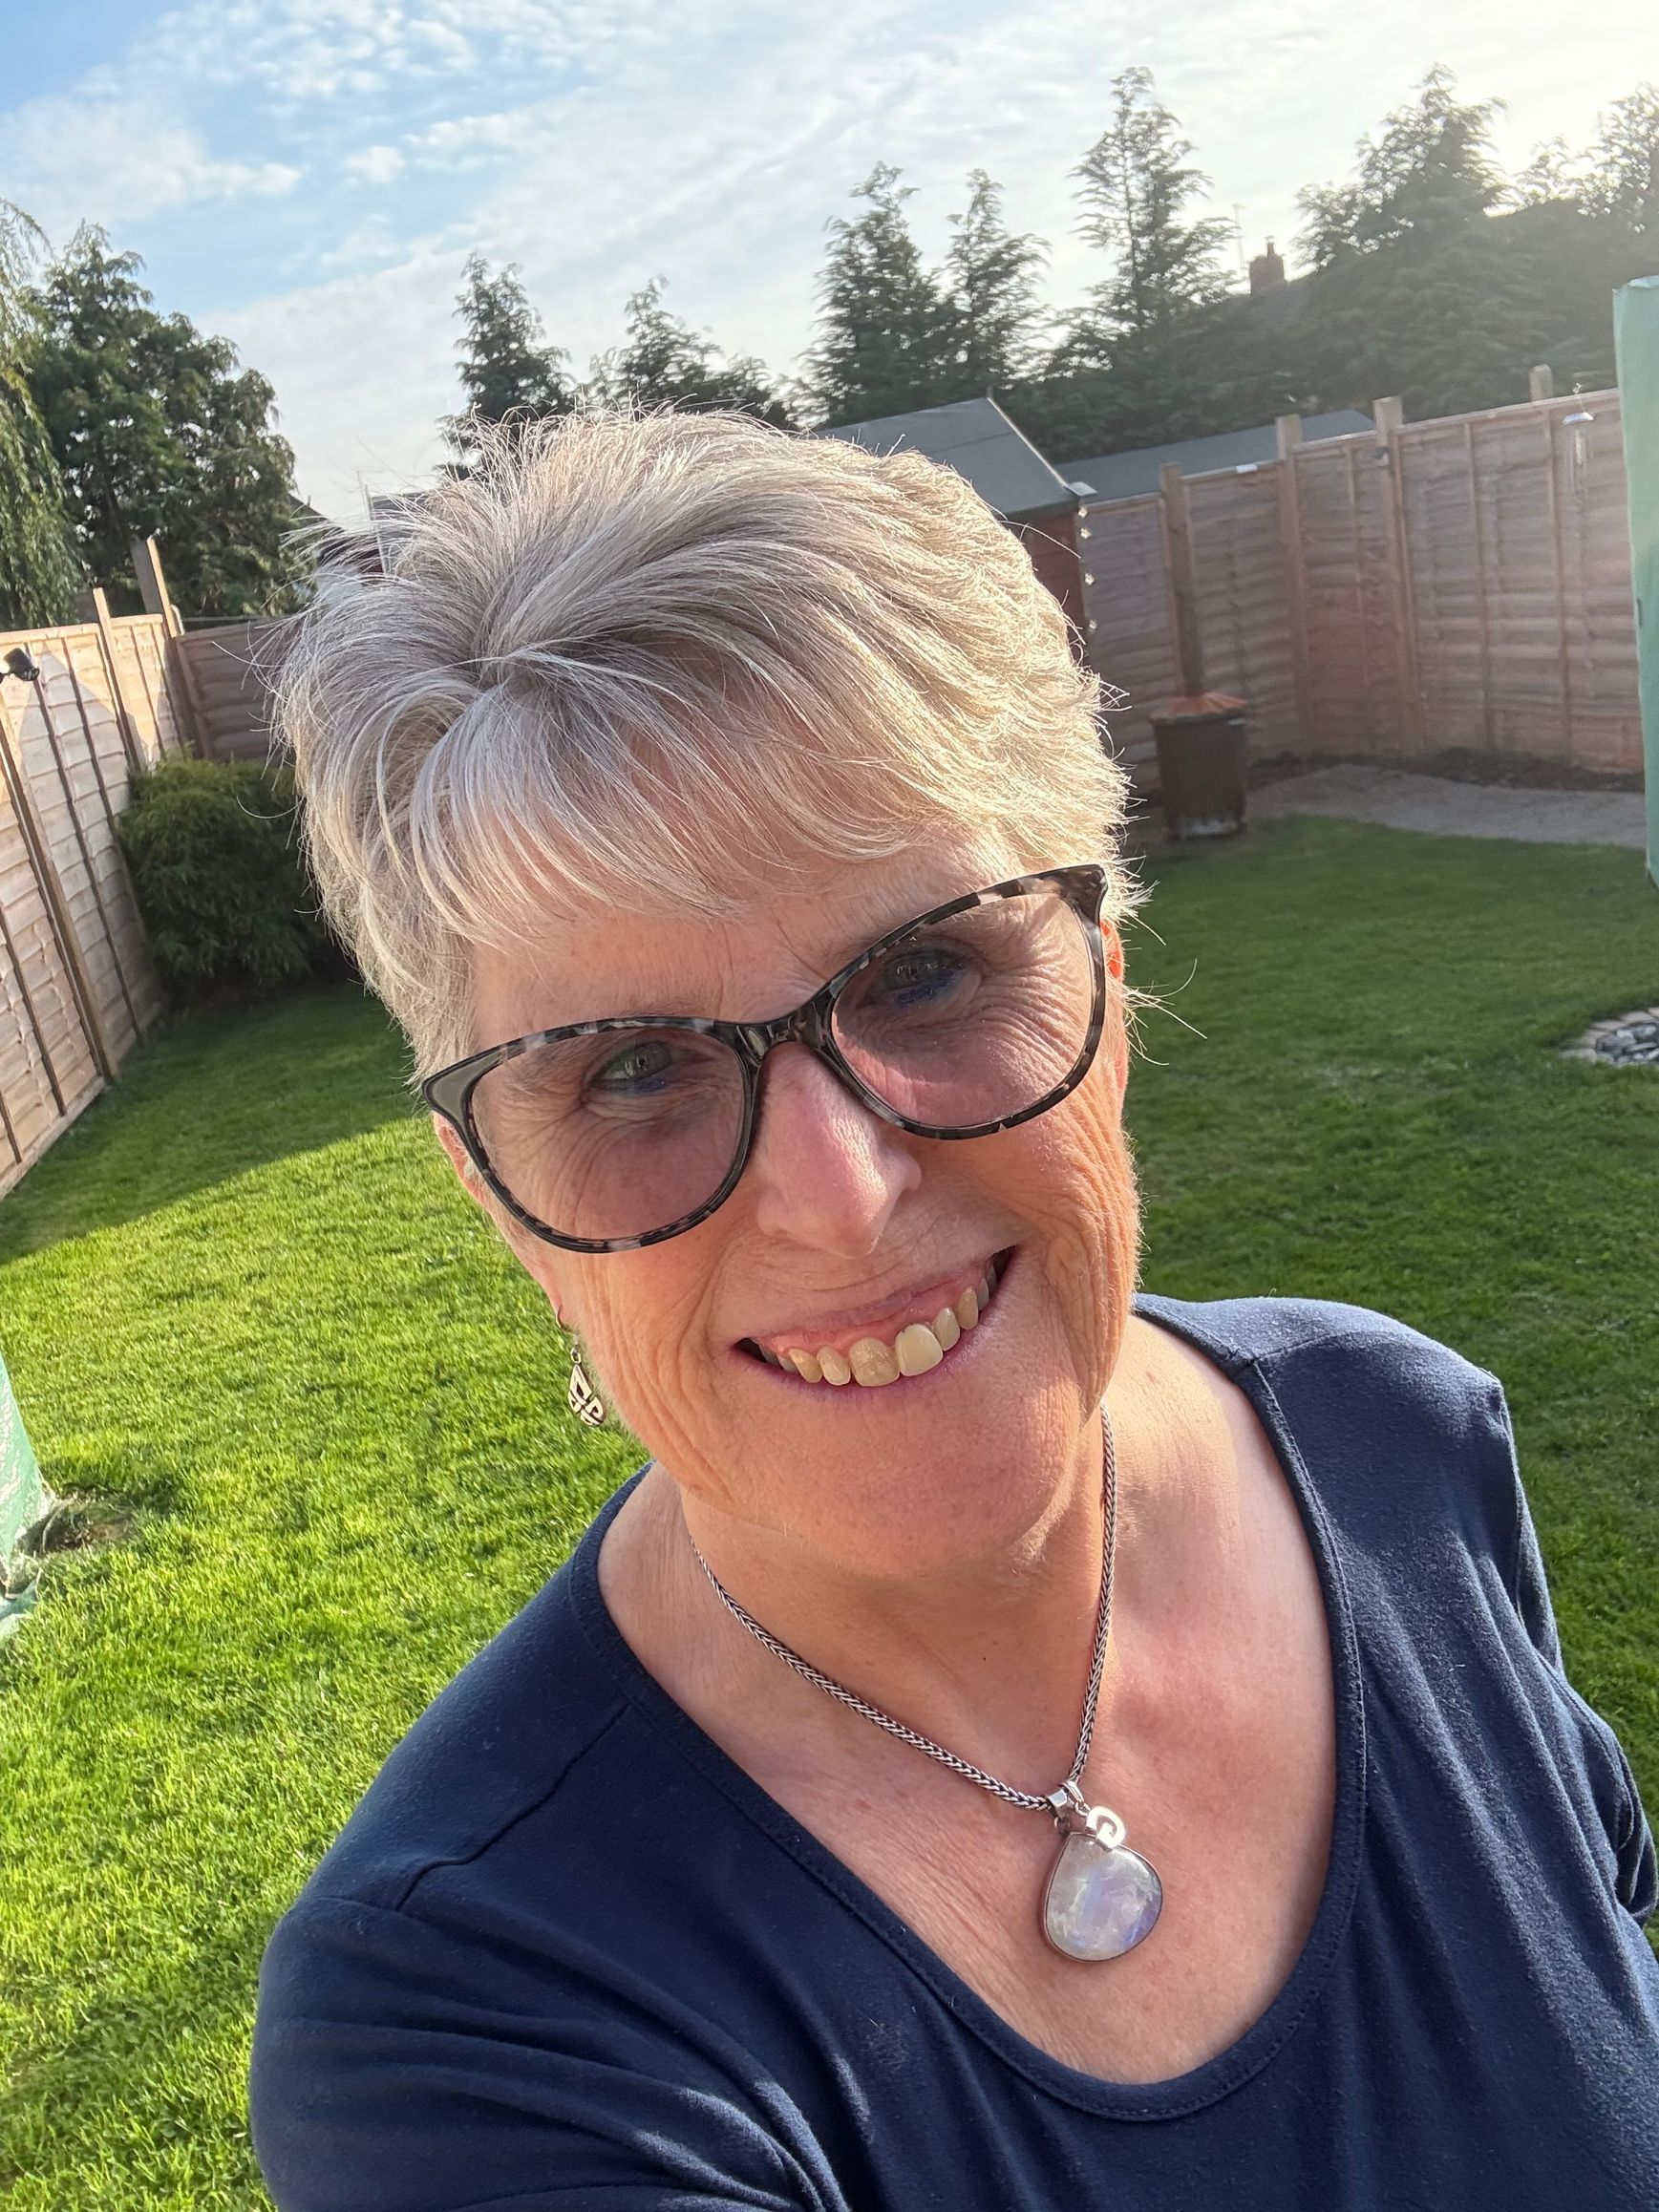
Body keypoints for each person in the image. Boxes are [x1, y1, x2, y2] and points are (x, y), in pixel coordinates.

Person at [248, 410, 1658, 2211]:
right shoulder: (474, 2031)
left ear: (1106, 989)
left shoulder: (1401, 1440)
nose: (839, 1195)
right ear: (501, 1202)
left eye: (923, 969)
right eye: (629, 1072)